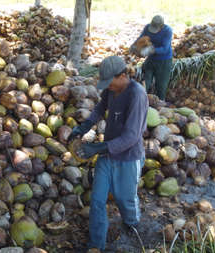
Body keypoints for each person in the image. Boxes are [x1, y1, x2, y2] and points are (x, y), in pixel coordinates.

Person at [67, 56, 148, 253]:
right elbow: (99, 109)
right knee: (97, 200)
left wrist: (97, 148)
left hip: (128, 158)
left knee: (125, 199)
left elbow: (131, 137)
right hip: (107, 155)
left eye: (110, 82)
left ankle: (132, 223)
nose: (108, 87)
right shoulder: (111, 90)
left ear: (122, 76)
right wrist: (83, 127)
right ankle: (96, 244)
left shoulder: (136, 95)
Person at [130, 15, 173, 101]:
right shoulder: (147, 28)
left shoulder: (167, 31)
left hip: (164, 61)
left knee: (161, 85)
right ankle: (140, 100)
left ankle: (160, 102)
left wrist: (151, 50)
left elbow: (165, 48)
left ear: (161, 26)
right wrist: (134, 46)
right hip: (151, 59)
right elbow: (140, 38)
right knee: (145, 80)